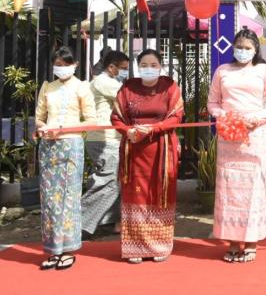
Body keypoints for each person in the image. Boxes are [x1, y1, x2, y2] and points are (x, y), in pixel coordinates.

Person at [207, 29, 266, 263]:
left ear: (255, 49)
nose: (242, 51)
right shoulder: (222, 71)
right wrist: (227, 117)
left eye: (247, 48)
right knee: (229, 189)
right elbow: (212, 103)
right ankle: (231, 242)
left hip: (254, 135)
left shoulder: (264, 71)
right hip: (229, 136)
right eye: (239, 47)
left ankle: (251, 242)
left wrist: (256, 119)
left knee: (253, 188)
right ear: (233, 48)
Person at [111, 49, 183, 264]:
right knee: (135, 196)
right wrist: (128, 131)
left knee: (159, 194)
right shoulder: (127, 88)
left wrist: (154, 128)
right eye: (144, 65)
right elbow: (116, 117)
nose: (148, 69)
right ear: (137, 66)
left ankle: (160, 245)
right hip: (134, 150)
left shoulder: (170, 87)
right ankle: (135, 247)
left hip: (162, 150)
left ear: (161, 67)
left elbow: (177, 116)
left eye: (153, 65)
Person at [35, 47, 97, 270]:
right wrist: (43, 128)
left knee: (69, 197)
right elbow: (39, 118)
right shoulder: (47, 87)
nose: (61, 68)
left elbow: (91, 121)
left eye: (65, 64)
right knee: (49, 199)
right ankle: (53, 249)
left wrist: (63, 129)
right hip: (48, 146)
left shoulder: (82, 87)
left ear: (75, 65)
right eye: (57, 64)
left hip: (71, 145)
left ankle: (68, 249)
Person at [82, 50, 130, 236]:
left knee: (115, 181)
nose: (126, 72)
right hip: (104, 139)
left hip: (108, 138)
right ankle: (78, 223)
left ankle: (109, 221)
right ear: (111, 67)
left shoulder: (106, 82)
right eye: (123, 68)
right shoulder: (105, 82)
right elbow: (128, 100)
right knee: (108, 181)